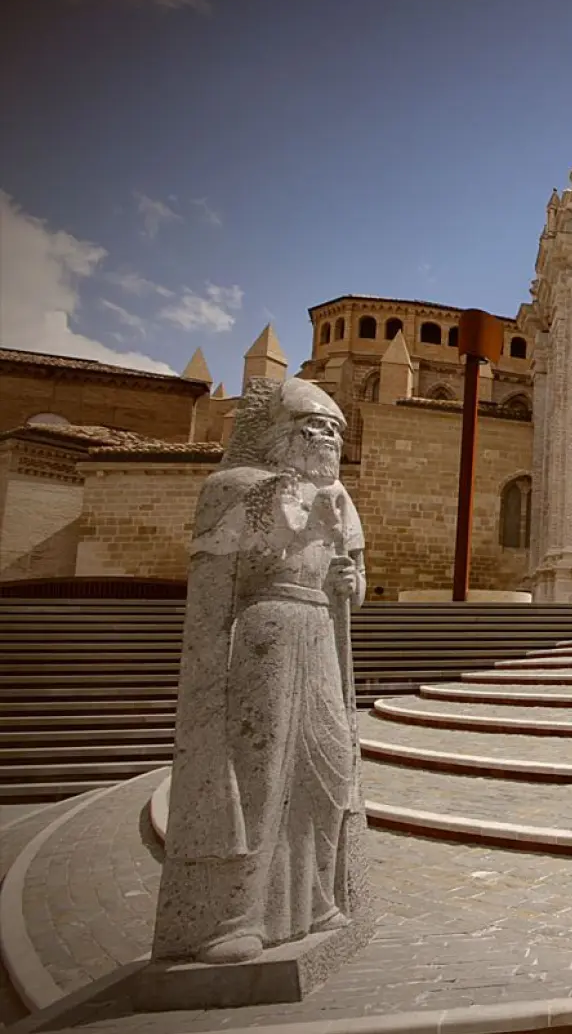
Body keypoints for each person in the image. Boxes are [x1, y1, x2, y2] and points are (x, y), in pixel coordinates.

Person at [150, 377, 365, 965]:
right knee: (258, 774)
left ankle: (317, 897)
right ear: (275, 433)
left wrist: (352, 584)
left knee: (326, 767)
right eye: (311, 425)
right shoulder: (235, 488)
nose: (324, 435)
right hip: (264, 636)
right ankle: (234, 916)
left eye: (333, 429)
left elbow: (355, 579)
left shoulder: (339, 498)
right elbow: (219, 584)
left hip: (319, 632)